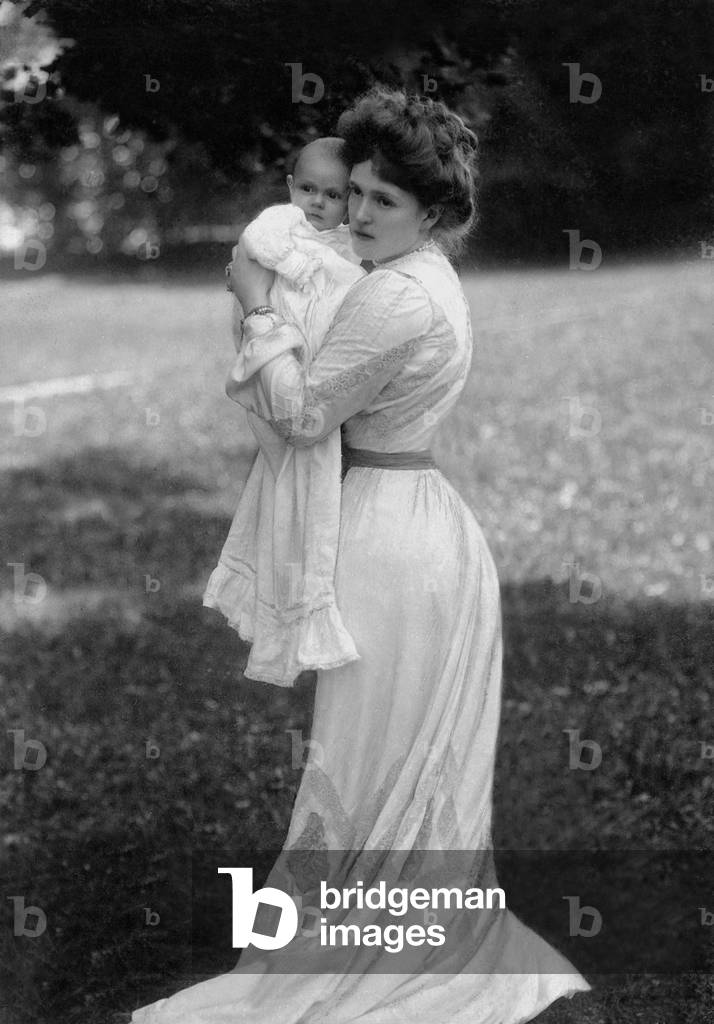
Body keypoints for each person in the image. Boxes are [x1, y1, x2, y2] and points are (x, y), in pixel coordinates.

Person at [131, 85, 591, 1024]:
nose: (362, 214)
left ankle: (373, 953)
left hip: (394, 536)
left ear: (434, 213)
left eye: (387, 201)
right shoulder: (421, 279)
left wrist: (259, 305)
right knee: (384, 751)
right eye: (361, 194)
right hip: (413, 521)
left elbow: (303, 414)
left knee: (369, 754)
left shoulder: (397, 295)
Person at [204, 137, 364, 686]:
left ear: (351, 200)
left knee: (306, 474)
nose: (318, 203)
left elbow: (345, 283)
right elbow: (259, 248)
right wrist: (300, 267)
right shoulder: (279, 224)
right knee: (292, 460)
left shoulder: (348, 246)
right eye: (308, 189)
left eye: (334, 194)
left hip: (307, 364)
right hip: (272, 345)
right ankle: (293, 610)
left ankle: (302, 608)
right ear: (290, 187)